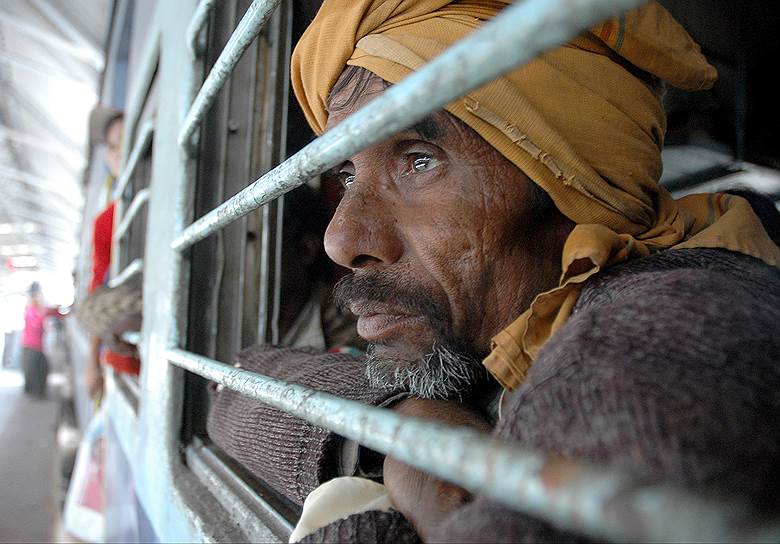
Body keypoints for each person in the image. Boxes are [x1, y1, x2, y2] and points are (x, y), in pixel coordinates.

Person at [210, 1, 780, 542]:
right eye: (349, 176)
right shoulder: (504, 332)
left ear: (571, 181)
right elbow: (234, 384)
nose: (342, 239)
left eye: (419, 160)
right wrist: (400, 434)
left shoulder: (660, 338)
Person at [81, 110, 142, 399]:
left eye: (125, 141)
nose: (119, 152)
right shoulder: (106, 222)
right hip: (127, 361)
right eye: (113, 146)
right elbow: (98, 287)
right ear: (109, 158)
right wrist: (92, 362)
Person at [21, 282, 63, 397]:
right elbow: (36, 325)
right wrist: (44, 314)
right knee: (35, 370)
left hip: (36, 345)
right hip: (31, 345)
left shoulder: (38, 310)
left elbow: (54, 312)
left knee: (40, 369)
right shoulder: (31, 310)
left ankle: (37, 391)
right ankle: (36, 392)